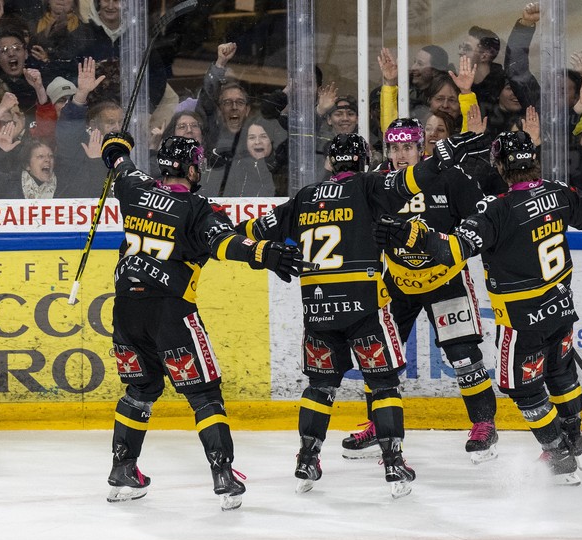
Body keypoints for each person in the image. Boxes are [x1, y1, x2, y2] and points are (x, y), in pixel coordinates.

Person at [374, 130, 582, 484]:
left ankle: (558, 453)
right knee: (560, 373)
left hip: (521, 319)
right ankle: (572, 437)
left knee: (523, 388)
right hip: (560, 307)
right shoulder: (561, 192)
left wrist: (409, 235)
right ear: (534, 160)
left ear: (499, 165)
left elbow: (452, 250)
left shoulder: (496, 209)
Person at [98, 132, 303, 510]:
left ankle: (122, 468)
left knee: (139, 391)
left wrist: (119, 140)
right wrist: (266, 254)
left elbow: (114, 158)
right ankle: (223, 474)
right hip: (171, 314)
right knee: (204, 395)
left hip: (126, 312)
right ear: (192, 167)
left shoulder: (133, 188)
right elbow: (226, 245)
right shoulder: (197, 208)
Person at [236, 133, 417, 498]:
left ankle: (307, 458)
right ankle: (394, 462)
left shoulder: (304, 197)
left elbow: (250, 232)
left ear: (330, 164)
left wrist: (216, 233)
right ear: (364, 161)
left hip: (318, 310)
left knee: (320, 386)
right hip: (365, 307)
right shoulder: (370, 185)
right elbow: (413, 181)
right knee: (383, 384)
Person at [341, 118, 499, 463]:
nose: (400, 155)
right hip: (397, 282)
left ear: (421, 147)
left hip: (445, 279)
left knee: (463, 355)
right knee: (378, 357)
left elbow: (485, 220)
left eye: (408, 147)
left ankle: (484, 425)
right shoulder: (376, 182)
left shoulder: (451, 178)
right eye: (394, 148)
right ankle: (378, 423)